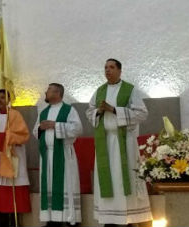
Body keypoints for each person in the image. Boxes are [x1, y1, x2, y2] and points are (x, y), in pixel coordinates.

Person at [85, 59, 152, 226]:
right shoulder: (99, 90)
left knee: (125, 178)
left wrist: (114, 110)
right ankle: (109, 219)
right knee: (108, 180)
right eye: (105, 67)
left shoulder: (130, 90)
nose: (108, 70)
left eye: (111, 67)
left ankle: (128, 218)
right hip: (104, 143)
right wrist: (99, 112)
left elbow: (142, 114)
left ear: (120, 71)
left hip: (125, 143)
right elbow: (89, 112)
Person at [33, 84, 83, 226]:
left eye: (48, 89)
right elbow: (35, 132)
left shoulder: (69, 110)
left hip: (63, 155)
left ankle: (68, 219)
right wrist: (41, 128)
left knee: (66, 184)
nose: (45, 91)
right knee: (48, 186)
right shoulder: (43, 112)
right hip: (47, 155)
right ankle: (51, 219)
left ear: (57, 92)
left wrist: (55, 125)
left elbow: (78, 129)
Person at [0, 89, 31, 227]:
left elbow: (23, 135)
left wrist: (4, 137)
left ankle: (14, 221)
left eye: (3, 97)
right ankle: (0, 220)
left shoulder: (15, 115)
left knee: (12, 189)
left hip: (12, 155)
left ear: (9, 99)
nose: (0, 100)